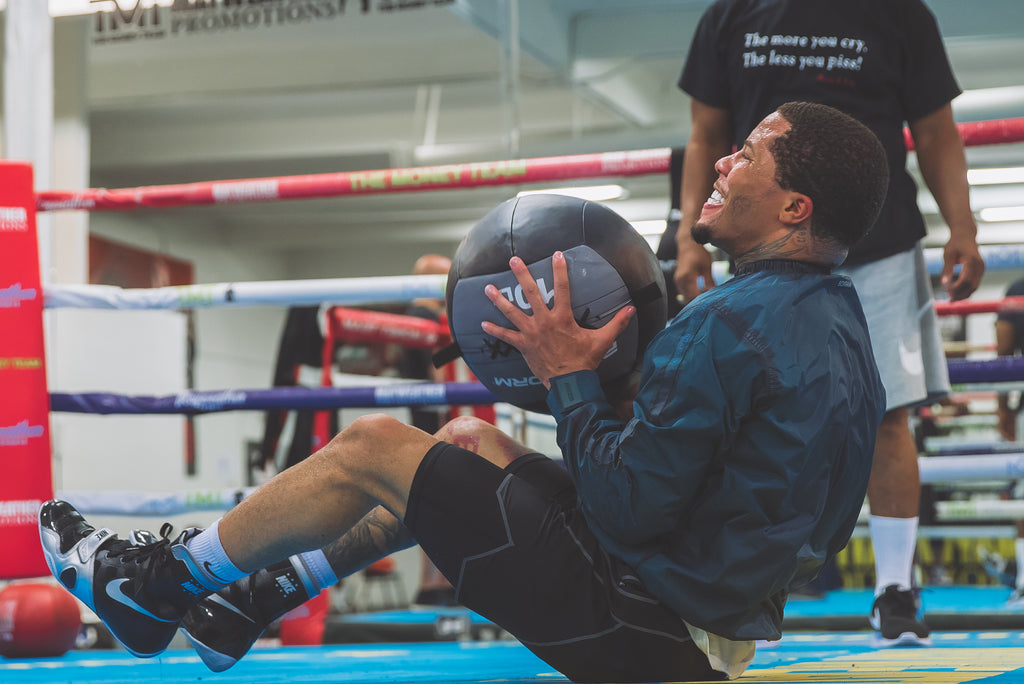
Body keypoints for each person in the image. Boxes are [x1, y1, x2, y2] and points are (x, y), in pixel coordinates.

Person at [40, 102, 887, 683]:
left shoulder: (727, 324)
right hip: (710, 618)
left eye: (752, 155)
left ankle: (154, 583)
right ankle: (248, 601)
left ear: (792, 207)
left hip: (651, 634)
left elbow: (629, 510)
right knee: (464, 443)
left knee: (374, 445)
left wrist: (569, 377)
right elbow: (795, 513)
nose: (726, 159)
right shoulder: (841, 326)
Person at [673, 0, 986, 646]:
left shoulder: (898, 14)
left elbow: (935, 131)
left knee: (887, 411)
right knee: (750, 412)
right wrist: (689, 236)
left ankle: (894, 591)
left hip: (881, 238)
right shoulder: (734, 14)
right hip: (762, 243)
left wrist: (963, 226)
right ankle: (739, 583)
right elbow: (706, 134)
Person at [991, 276, 1024, 606]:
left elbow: (1003, 348)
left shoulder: (1018, 288)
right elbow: (1004, 349)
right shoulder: (1017, 289)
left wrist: (1003, 409)